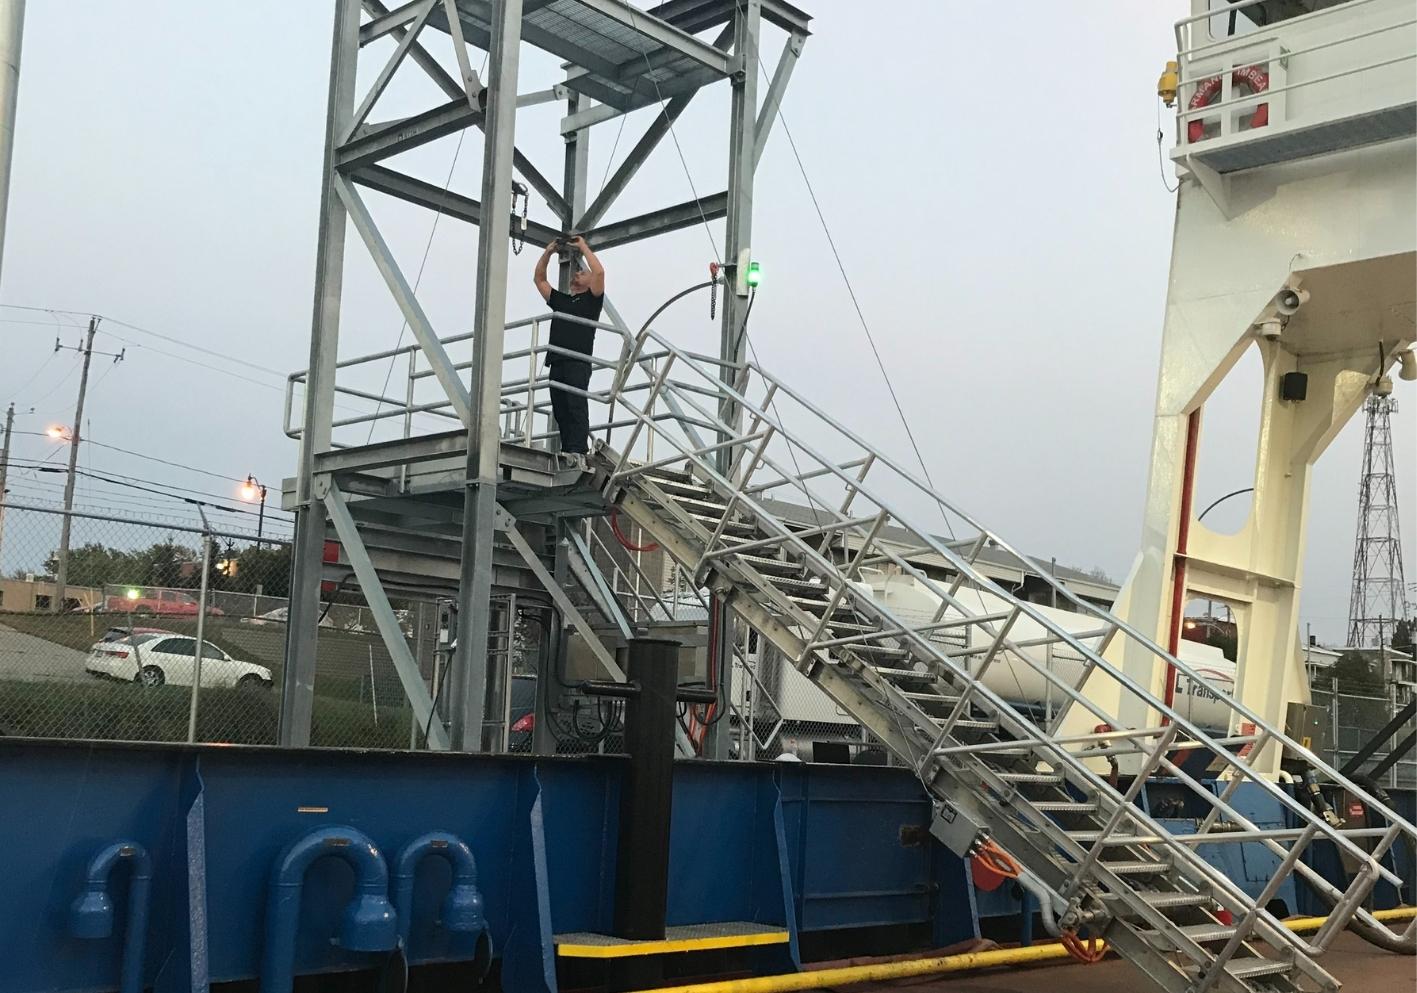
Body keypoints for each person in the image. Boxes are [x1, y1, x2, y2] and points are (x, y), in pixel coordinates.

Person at [533, 235, 605, 467]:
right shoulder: (562, 301)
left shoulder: (592, 301)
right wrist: (548, 251)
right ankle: (568, 448)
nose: (577, 273)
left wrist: (583, 247)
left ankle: (578, 449)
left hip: (577, 361)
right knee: (560, 408)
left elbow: (600, 273)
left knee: (576, 404)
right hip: (557, 361)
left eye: (582, 272)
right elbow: (539, 279)